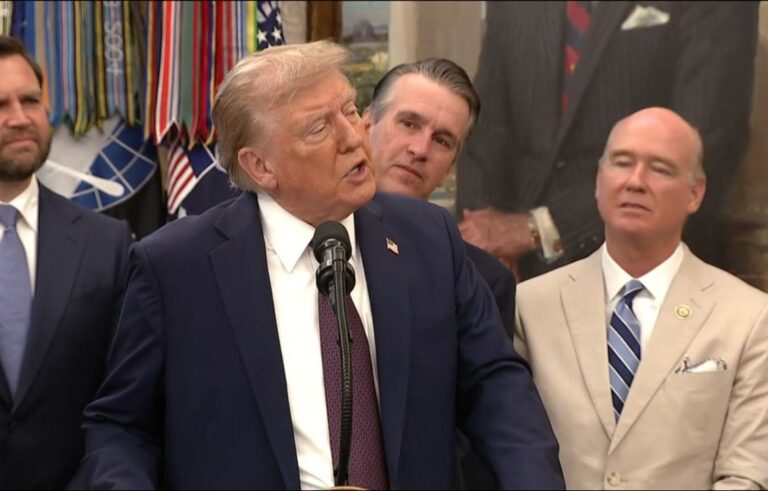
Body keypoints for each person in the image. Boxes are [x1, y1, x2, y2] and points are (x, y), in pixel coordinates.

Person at [71, 41, 564, 490]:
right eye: (320, 127)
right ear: (261, 166)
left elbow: (496, 385)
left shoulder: (428, 239)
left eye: (350, 109)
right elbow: (122, 426)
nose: (354, 136)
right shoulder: (176, 266)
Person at [514, 107, 768, 489]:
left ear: (695, 193)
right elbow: (510, 452)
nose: (635, 181)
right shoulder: (530, 307)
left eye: (660, 169)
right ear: (599, 180)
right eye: (622, 163)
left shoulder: (748, 317)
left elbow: (746, 475)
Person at [456, 2, 759, 281]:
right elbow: (486, 128)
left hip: (645, 265)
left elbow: (706, 141)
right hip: (513, 268)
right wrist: (481, 243)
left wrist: (542, 228)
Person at [363, 58, 516, 490]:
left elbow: (482, 421)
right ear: (364, 123)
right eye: (408, 123)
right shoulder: (295, 238)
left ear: (451, 165)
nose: (420, 148)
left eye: (442, 140)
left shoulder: (483, 280)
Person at [0, 36, 132, 489]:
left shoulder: (107, 244)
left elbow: (126, 402)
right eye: (0, 104)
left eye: (30, 100)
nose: (19, 118)